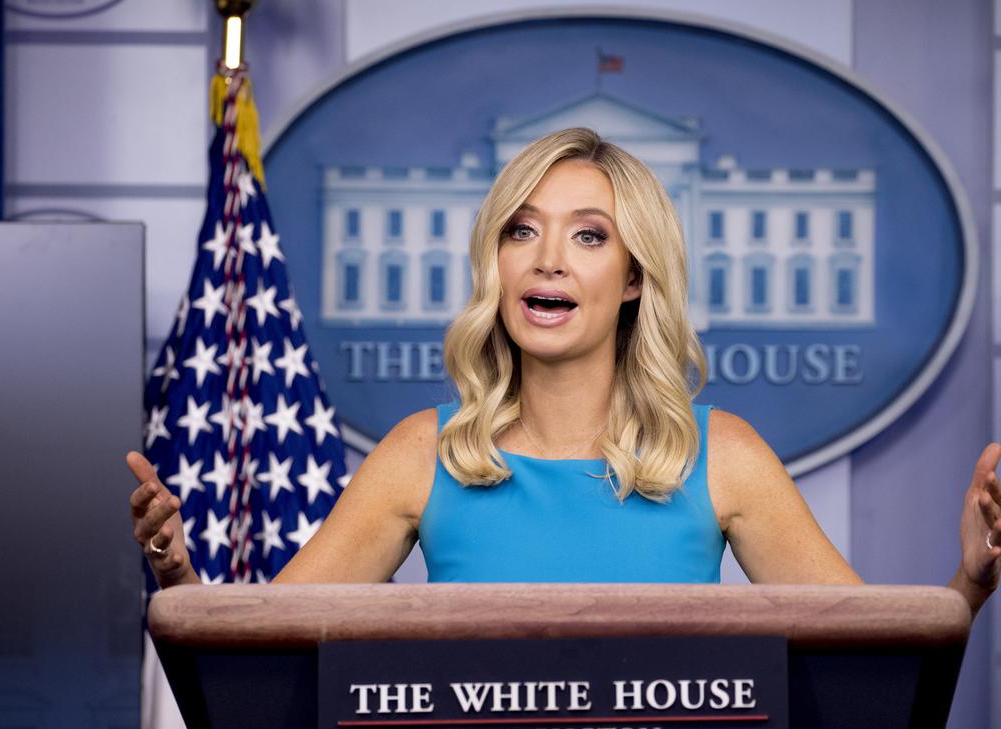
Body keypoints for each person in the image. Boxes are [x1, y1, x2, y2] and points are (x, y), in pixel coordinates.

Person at [127, 127, 1001, 617]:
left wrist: (969, 582)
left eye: (588, 235)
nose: (547, 259)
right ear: (496, 265)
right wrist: (177, 579)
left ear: (632, 278)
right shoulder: (418, 455)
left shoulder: (722, 455)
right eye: (521, 230)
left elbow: (872, 657)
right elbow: (261, 652)